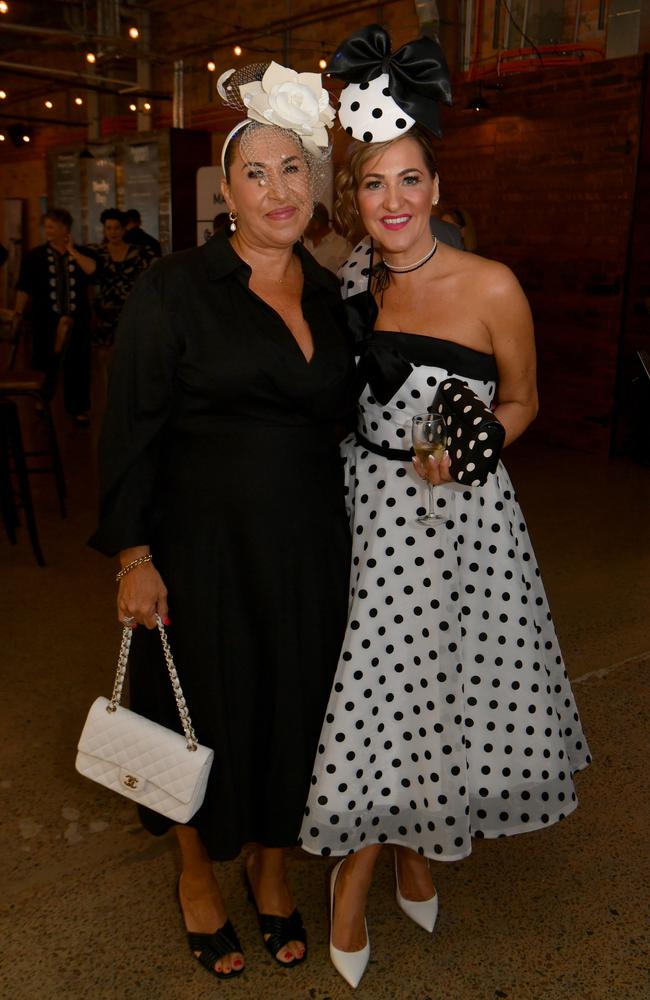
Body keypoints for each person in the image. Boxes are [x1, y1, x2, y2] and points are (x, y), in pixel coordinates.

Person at [300, 25, 591, 989]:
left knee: (430, 685)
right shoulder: (352, 276)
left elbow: (525, 400)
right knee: (377, 685)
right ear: (358, 196)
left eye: (409, 181)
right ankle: (389, 855)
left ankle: (379, 862)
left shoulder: (491, 285)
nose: (392, 203)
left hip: (460, 518)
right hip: (365, 507)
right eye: (374, 184)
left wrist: (472, 444)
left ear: (435, 185)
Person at [89, 59, 353, 982]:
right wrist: (133, 553)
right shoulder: (175, 288)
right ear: (228, 190)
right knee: (203, 708)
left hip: (310, 546)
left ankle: (270, 866)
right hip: (201, 547)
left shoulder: (332, 297)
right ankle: (198, 871)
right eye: (258, 172)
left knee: (293, 704)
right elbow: (131, 427)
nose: (279, 190)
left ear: (315, 188)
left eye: (295, 172)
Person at [12, 208, 97, 424]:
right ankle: (41, 399)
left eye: (51, 226)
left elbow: (92, 271)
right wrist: (18, 314)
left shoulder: (83, 254)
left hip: (77, 320)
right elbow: (24, 288)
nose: (47, 231)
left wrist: (72, 251)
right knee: (43, 359)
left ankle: (78, 409)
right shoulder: (34, 256)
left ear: (65, 228)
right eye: (45, 226)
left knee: (78, 363)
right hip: (44, 320)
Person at [89, 208, 156, 348]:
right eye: (108, 228)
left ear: (124, 229)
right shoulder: (96, 253)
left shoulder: (140, 252)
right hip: (104, 314)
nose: (113, 232)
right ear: (104, 230)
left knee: (130, 354)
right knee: (103, 355)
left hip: (132, 313)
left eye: (117, 228)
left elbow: (156, 273)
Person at [304, 202, 351, 272]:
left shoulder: (343, 248)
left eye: (305, 220)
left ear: (316, 224)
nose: (300, 225)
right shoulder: (299, 242)